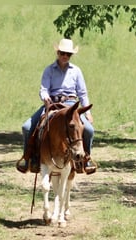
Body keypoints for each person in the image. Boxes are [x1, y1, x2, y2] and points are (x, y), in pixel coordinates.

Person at [17, 38, 97, 175]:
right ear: (58, 53)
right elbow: (43, 89)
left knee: (88, 130)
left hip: (71, 105)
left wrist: (88, 112)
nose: (65, 56)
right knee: (26, 127)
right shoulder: (49, 70)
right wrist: (45, 97)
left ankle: (86, 159)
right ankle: (29, 157)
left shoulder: (76, 71)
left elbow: (82, 93)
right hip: (53, 103)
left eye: (68, 54)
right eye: (62, 53)